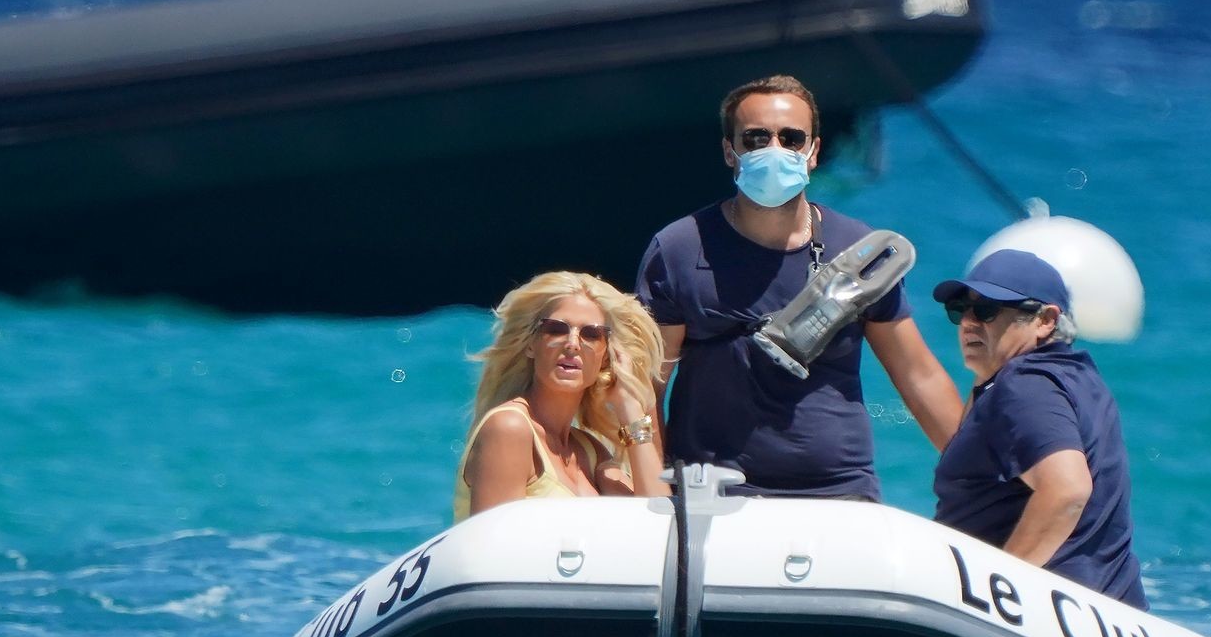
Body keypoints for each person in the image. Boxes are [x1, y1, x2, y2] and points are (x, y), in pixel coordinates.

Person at [636, 74, 962, 499]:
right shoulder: (679, 248)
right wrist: (657, 499)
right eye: (756, 139)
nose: (775, 150)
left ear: (813, 152)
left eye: (791, 139)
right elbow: (646, 387)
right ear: (730, 151)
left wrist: (981, 480)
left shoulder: (859, 249)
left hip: (840, 491)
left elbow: (918, 376)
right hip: (713, 494)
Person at [929, 249, 1146, 606]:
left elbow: (1067, 491)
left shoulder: (1024, 383)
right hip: (1111, 605)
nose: (968, 322)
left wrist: (996, 591)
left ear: (1045, 320)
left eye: (987, 310)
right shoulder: (1079, 379)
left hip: (1049, 610)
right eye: (959, 309)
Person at [455, 271, 669, 520]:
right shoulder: (509, 428)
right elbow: (495, 539)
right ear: (531, 344)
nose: (573, 344)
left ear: (606, 357)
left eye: (591, 334)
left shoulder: (590, 451)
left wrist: (630, 409)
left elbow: (659, 517)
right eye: (556, 329)